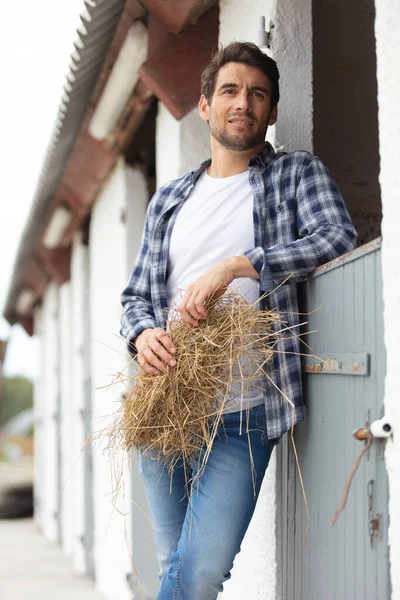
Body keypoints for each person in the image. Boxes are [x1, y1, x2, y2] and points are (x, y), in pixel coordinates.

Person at [120, 42, 357, 599]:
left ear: (272, 111)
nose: (242, 103)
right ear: (205, 105)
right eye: (229, 90)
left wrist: (243, 264)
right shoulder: (170, 200)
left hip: (245, 413)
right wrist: (142, 334)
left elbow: (337, 237)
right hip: (164, 403)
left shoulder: (295, 174)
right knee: (171, 561)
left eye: (257, 94)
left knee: (200, 572)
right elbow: (135, 297)